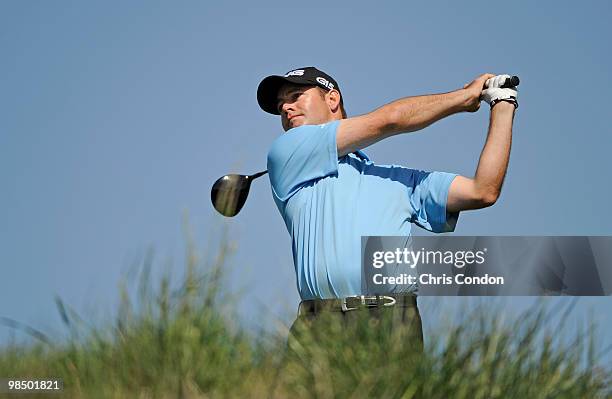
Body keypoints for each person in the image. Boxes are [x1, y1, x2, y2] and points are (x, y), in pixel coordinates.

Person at [256, 66, 517, 354]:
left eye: (295, 96)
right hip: (318, 324)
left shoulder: (397, 181)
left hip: (392, 323)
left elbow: (483, 190)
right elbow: (389, 120)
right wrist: (463, 97)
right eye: (281, 105)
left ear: (332, 99)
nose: (286, 108)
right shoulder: (287, 152)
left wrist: (502, 104)